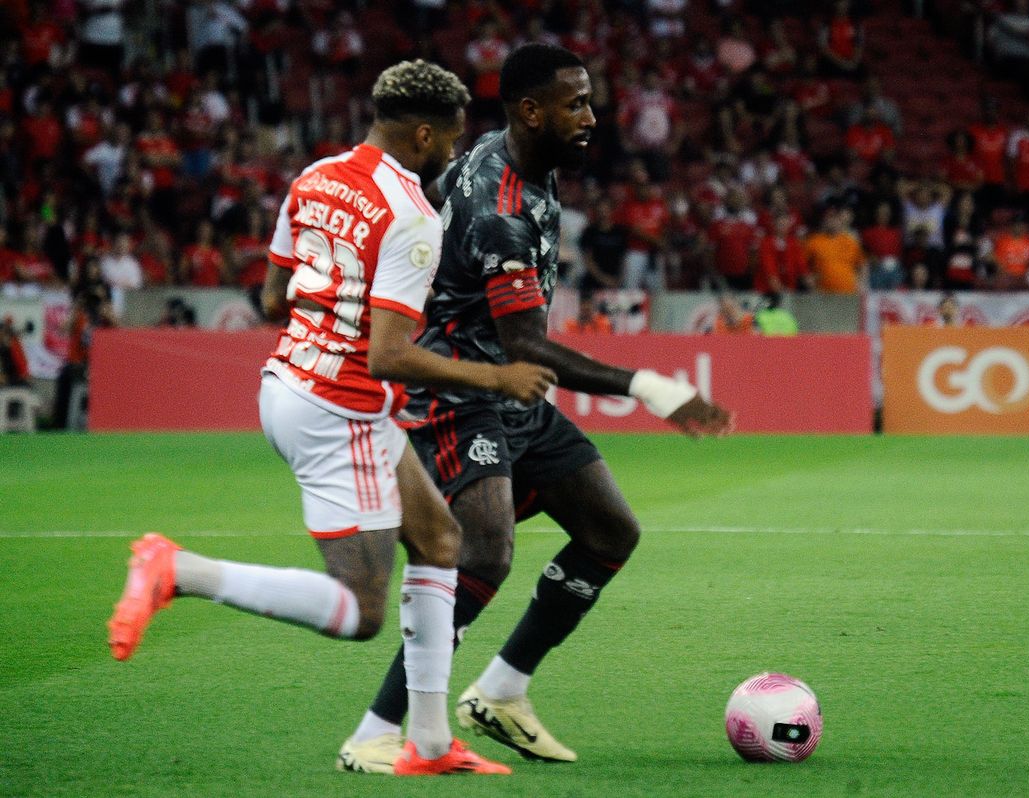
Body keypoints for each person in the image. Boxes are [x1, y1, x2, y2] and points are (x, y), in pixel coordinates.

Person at [106, 60, 558, 777]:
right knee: (360, 609)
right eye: (449, 139)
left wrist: (334, 308)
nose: (454, 151)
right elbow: (387, 356)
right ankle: (181, 570)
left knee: (441, 540)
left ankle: (430, 745)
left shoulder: (313, 178)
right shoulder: (412, 215)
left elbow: (273, 296)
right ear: (422, 133)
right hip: (337, 409)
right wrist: (494, 375)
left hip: (292, 382)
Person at [338, 43, 733, 774]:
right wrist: (655, 388)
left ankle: (502, 691)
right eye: (575, 103)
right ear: (530, 111)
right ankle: (376, 729)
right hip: (461, 393)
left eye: (589, 99)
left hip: (508, 385)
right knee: (482, 550)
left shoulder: (519, 159)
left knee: (609, 530)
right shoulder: (501, 211)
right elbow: (534, 345)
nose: (591, 116)